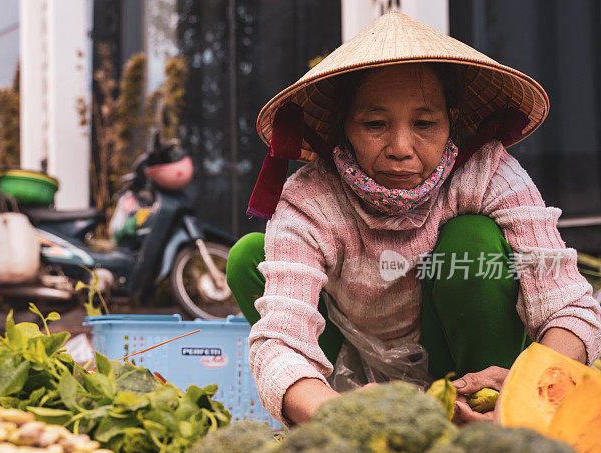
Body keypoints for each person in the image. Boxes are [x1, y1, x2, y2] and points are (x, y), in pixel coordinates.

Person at [226, 12, 601, 426]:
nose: (401, 147)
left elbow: (569, 305)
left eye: (424, 124)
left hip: (463, 370)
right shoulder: (310, 199)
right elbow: (281, 340)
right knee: (249, 255)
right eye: (374, 124)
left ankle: (496, 421)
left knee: (472, 240)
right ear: (343, 128)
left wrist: (528, 392)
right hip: (348, 372)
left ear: (451, 123)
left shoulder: (489, 174)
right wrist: (335, 412)